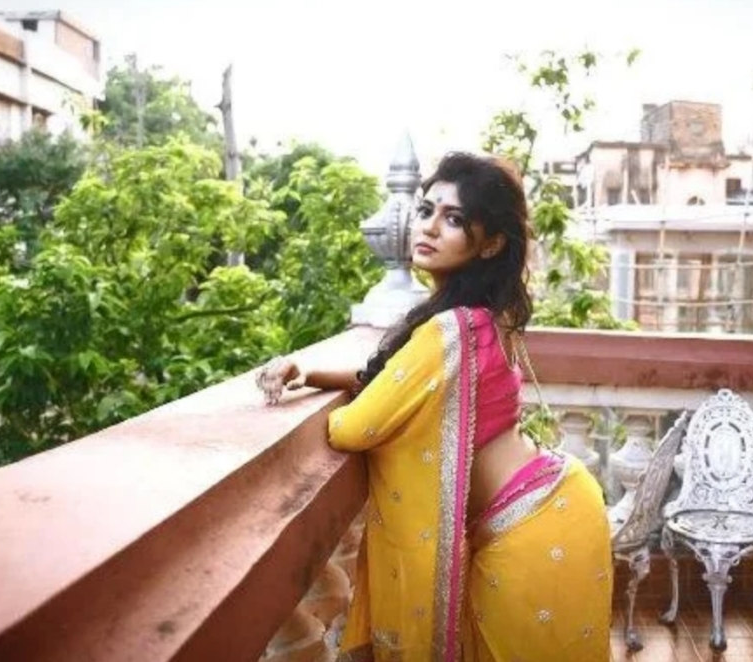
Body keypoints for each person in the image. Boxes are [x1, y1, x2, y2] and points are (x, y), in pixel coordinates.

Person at [256, 152, 611, 661]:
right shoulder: (482, 318)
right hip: (558, 503)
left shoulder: (449, 330)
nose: (429, 227)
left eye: (455, 219)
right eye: (426, 211)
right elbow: (395, 382)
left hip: (526, 530)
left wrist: (319, 403)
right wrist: (310, 373)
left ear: (491, 243)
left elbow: (353, 428)